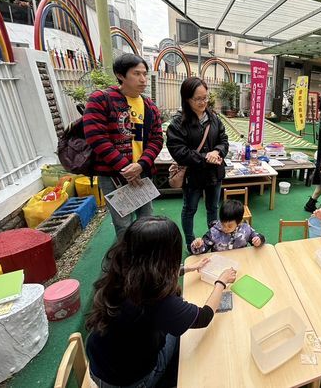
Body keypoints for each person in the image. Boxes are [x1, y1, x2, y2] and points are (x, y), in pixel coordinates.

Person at [85, 216, 237, 387]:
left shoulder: (120, 273)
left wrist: (187, 268)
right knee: (184, 337)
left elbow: (147, 273)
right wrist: (221, 282)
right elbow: (204, 317)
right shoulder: (158, 301)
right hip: (130, 382)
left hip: (99, 368)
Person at [83, 54, 163, 239]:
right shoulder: (101, 99)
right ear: (120, 75)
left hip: (142, 172)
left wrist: (141, 165)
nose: (143, 79)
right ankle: (126, 264)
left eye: (144, 73)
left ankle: (146, 260)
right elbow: (96, 137)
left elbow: (157, 138)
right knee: (123, 224)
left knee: (147, 220)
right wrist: (125, 167)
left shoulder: (150, 105)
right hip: (114, 175)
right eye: (136, 74)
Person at [166, 77, 229, 252]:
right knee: (189, 209)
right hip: (192, 175)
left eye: (205, 98)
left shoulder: (213, 117)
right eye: (198, 99)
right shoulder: (178, 123)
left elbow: (224, 139)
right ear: (187, 98)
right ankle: (190, 242)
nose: (203, 102)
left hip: (214, 173)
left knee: (213, 208)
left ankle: (212, 239)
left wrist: (217, 151)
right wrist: (205, 158)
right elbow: (178, 151)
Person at [190, 199, 265, 254]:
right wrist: (198, 246)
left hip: (240, 261)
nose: (225, 228)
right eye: (223, 224)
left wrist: (259, 240)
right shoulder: (213, 232)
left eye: (229, 226)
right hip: (220, 264)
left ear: (239, 222)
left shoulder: (246, 229)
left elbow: (259, 238)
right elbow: (202, 250)